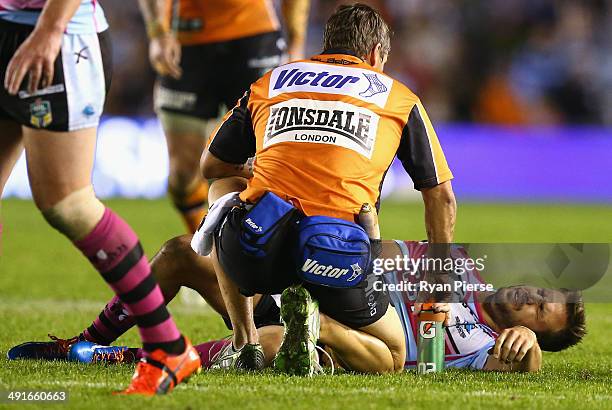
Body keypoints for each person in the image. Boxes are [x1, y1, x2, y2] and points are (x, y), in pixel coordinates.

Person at [199, 3, 456, 375]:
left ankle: (245, 341)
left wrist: (254, 168)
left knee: (224, 188)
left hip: (255, 249)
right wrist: (440, 281)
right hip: (333, 254)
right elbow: (441, 195)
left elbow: (211, 165)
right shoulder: (397, 97)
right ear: (374, 55)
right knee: (393, 355)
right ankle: (320, 325)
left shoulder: (272, 80)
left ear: (327, 44)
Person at [8, 237, 586, 373]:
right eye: (542, 293)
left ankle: (106, 360)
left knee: (287, 341)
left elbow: (522, 369)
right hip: (306, 292)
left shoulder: (491, 348)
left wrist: (531, 355)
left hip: (342, 339)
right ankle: (88, 337)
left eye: (542, 314)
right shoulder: (456, 263)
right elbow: (374, 251)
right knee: (180, 254)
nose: (533, 301)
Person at [0, 0, 199, 395]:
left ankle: (167, 345)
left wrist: (50, 28)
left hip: (59, 34)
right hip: (9, 24)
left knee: (67, 202)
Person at [138, 0, 310, 232]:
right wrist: (158, 32)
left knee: (265, 164)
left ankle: (260, 247)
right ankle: (206, 248)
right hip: (185, 42)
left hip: (254, 38)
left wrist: (296, 43)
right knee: (182, 176)